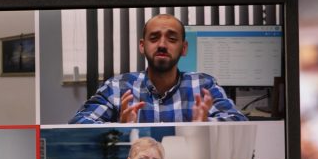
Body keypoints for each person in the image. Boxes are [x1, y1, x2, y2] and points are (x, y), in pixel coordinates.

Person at [70, 14, 248, 124]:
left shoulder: (204, 85)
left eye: (171, 39)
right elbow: (79, 123)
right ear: (142, 45)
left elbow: (239, 122)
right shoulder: (118, 87)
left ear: (184, 48)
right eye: (154, 38)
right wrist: (119, 128)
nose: (162, 45)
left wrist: (205, 124)